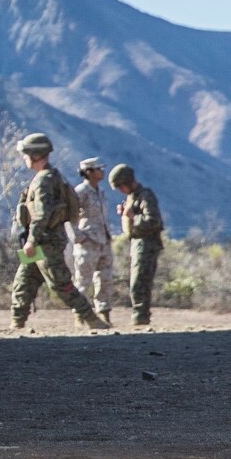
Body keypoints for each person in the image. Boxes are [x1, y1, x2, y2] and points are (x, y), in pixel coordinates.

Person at [11, 134, 109, 330]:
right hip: (42, 241)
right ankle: (17, 321)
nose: (24, 158)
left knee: (60, 282)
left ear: (35, 154)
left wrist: (32, 240)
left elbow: (42, 214)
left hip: (45, 242)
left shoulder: (44, 180)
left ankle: (91, 318)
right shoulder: (50, 176)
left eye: (26, 154)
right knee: (25, 279)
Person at [109, 164, 164, 326]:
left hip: (147, 244)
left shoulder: (146, 196)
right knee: (138, 281)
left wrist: (133, 217)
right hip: (137, 243)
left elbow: (154, 221)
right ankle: (140, 316)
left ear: (127, 182)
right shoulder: (133, 197)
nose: (120, 190)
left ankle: (140, 316)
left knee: (140, 282)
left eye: (120, 186)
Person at [70, 158, 115, 325]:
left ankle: (104, 312)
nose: (102, 171)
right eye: (98, 169)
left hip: (103, 241)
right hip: (88, 242)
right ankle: (80, 315)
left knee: (106, 278)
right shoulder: (81, 191)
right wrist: (79, 237)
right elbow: (69, 217)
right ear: (88, 172)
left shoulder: (100, 191)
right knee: (83, 281)